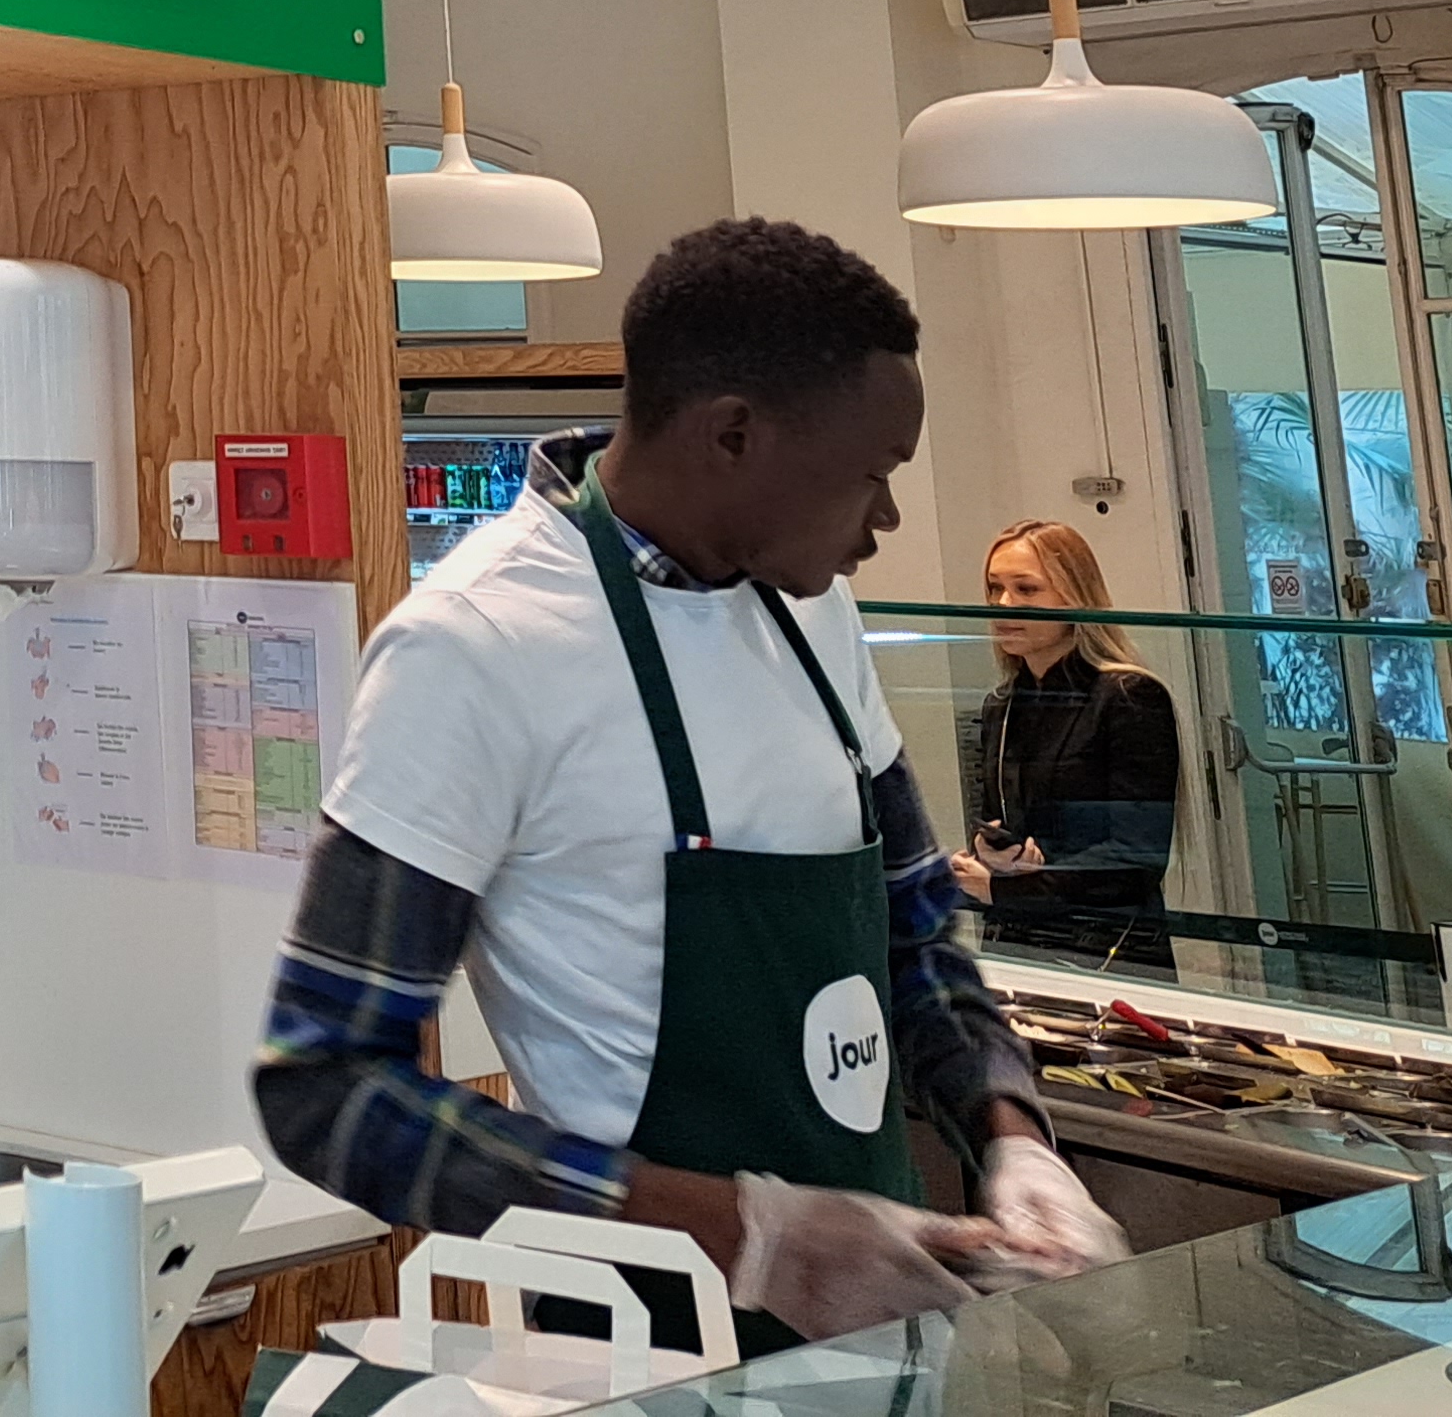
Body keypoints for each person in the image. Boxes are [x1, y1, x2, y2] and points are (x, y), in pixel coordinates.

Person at [258, 219, 1126, 1353]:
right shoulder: (473, 648)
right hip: (646, 1346)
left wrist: (1011, 1136)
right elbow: (325, 1087)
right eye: (872, 476)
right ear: (733, 435)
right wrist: (749, 1236)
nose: (888, 519)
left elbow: (914, 936)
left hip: (881, 1315)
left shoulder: (815, 610)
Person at [950, 518, 1179, 972]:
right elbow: (1006, 822)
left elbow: (1135, 858)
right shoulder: (1001, 705)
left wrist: (1006, 889)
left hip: (1107, 949)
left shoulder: (1129, 696)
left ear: (1074, 596)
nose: (1003, 604)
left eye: (1026, 589)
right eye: (995, 588)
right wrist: (990, 853)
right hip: (1017, 943)